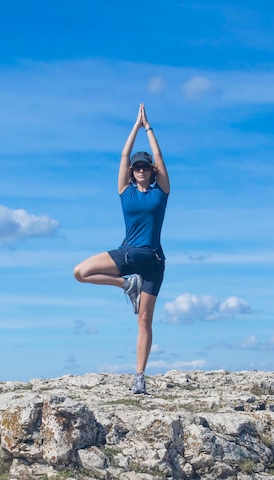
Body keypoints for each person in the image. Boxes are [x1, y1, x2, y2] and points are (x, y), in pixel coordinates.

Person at [74, 103, 170, 394]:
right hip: (126, 255)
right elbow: (124, 155)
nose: (141, 169)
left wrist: (149, 128)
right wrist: (134, 127)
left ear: (151, 171)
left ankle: (139, 377)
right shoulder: (125, 192)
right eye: (137, 167)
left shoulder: (161, 191)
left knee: (144, 321)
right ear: (132, 172)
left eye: (145, 166)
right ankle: (126, 285)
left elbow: (160, 157)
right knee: (80, 272)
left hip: (152, 262)